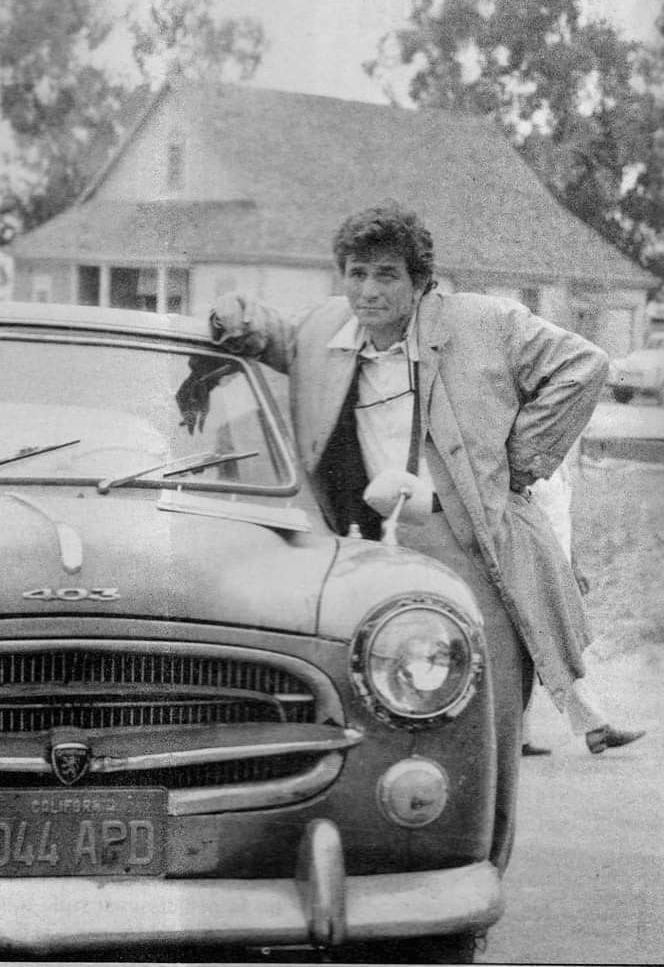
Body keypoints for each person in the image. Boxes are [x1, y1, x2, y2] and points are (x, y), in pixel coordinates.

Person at [205, 201, 608, 872]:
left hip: (475, 550)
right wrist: (233, 314)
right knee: (370, 726)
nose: (368, 291)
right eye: (356, 273)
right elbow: (279, 337)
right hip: (368, 559)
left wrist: (508, 466)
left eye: (386, 275)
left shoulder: (486, 322)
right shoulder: (331, 327)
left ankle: (476, 887)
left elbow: (584, 365)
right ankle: (375, 878)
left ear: (420, 282)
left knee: (486, 732)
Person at [522, 450, 646, 755]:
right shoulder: (528, 466)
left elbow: (562, 520)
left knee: (535, 650)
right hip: (537, 570)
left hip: (559, 568)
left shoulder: (561, 463)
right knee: (562, 648)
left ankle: (519, 737)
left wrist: (573, 566)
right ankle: (595, 727)